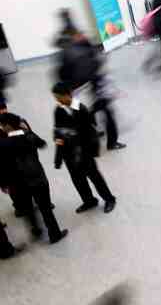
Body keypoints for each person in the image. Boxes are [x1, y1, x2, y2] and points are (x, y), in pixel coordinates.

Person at [0, 113, 67, 244]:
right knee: (45, 208)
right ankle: (54, 234)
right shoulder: (27, 135)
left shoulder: (3, 143)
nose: (2, 128)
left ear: (8, 126)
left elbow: (2, 165)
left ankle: (36, 230)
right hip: (36, 177)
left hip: (19, 182)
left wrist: (4, 182)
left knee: (28, 208)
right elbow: (42, 144)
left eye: (2, 125)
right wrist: (27, 130)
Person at [51, 82, 117, 214]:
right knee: (78, 180)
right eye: (55, 97)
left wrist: (89, 152)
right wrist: (58, 157)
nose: (57, 100)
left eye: (59, 97)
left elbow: (91, 133)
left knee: (95, 177)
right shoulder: (58, 111)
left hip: (84, 153)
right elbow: (58, 134)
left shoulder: (81, 109)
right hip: (69, 155)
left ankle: (109, 199)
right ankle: (89, 201)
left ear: (68, 95)